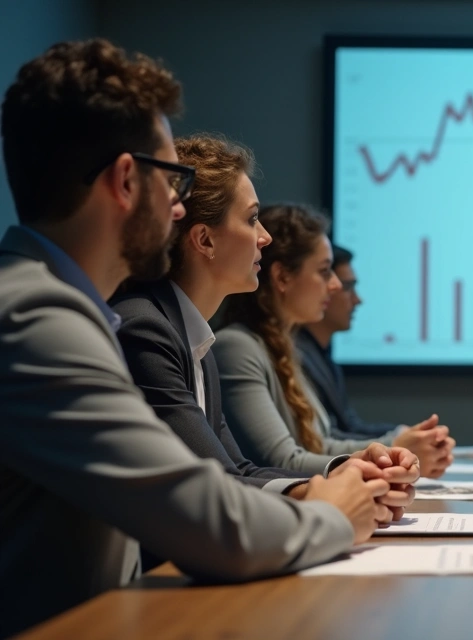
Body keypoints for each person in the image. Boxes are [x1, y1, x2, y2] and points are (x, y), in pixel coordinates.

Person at [0, 40, 393, 636]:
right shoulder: (36, 319)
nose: (180, 210)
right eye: (173, 182)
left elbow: (218, 482)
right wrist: (334, 514)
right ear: (127, 180)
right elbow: (209, 523)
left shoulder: (59, 307)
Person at [112, 134, 420, 500]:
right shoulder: (147, 330)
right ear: (204, 240)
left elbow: (240, 471)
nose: (265, 237)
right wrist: (328, 495)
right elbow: (218, 484)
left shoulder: (196, 339)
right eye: (252, 219)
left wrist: (347, 470)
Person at [214, 204, 432, 474]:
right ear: (282, 276)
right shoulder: (236, 348)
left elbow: (319, 446)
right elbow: (282, 461)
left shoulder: (284, 346)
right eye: (324, 271)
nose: (336, 285)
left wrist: (390, 450)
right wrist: (387, 454)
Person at [297, 244, 455, 477]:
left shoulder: (321, 354)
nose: (357, 299)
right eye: (347, 287)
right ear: (283, 279)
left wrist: (404, 436)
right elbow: (302, 449)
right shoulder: (289, 352)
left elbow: (346, 427)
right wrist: (397, 445)